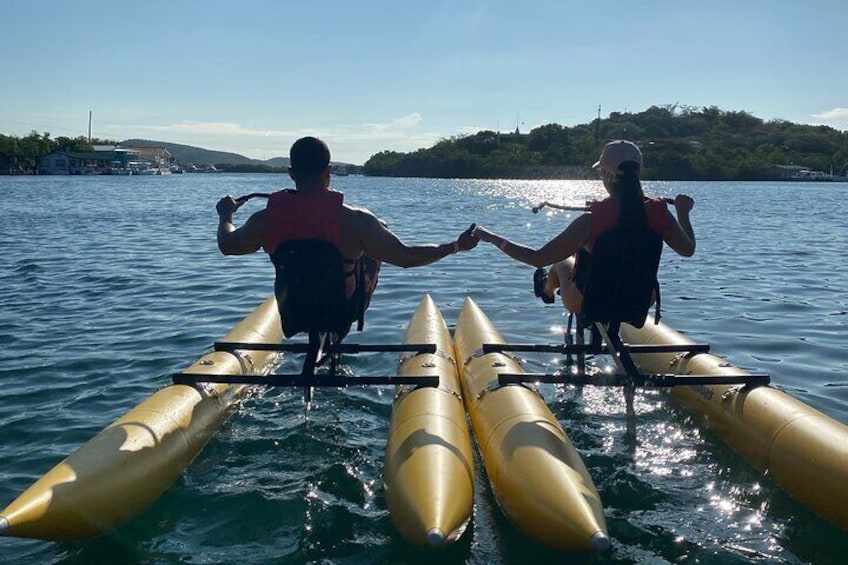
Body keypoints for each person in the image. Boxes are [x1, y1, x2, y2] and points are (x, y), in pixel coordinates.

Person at [216, 136, 478, 337]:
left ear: (291, 173)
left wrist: (226, 215)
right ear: (329, 171)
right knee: (372, 245)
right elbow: (406, 257)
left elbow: (228, 245)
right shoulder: (356, 221)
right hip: (342, 312)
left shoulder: (264, 219)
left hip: (293, 311)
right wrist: (455, 246)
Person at [474, 139, 695, 320]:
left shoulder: (589, 222)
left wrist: (492, 237)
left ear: (606, 176)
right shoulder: (660, 214)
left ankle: (545, 289)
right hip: (642, 299)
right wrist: (683, 213)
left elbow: (536, 258)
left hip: (590, 302)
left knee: (562, 262)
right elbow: (688, 249)